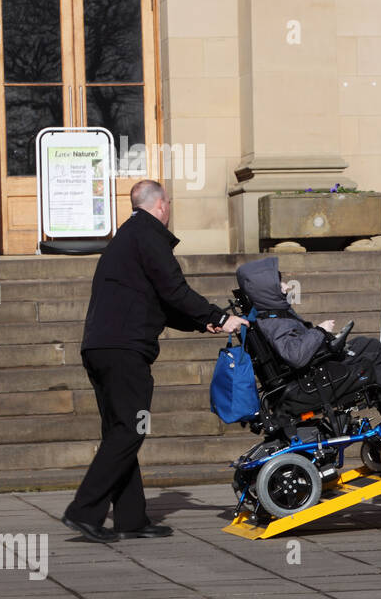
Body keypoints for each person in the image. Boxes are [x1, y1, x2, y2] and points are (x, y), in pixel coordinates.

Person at [63, 180, 248, 544]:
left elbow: (162, 304)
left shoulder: (127, 238)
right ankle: (83, 511)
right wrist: (220, 317)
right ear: (161, 204)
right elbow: (174, 290)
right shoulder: (148, 237)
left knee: (121, 430)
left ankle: (130, 518)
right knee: (131, 429)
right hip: (123, 350)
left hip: (101, 348)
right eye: (169, 204)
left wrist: (204, 321)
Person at [234, 256, 381, 422]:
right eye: (280, 284)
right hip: (310, 378)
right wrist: (319, 331)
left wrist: (325, 339)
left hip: (314, 367)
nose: (286, 288)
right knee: (371, 353)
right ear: (268, 290)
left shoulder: (272, 315)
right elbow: (295, 355)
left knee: (366, 345)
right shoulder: (274, 322)